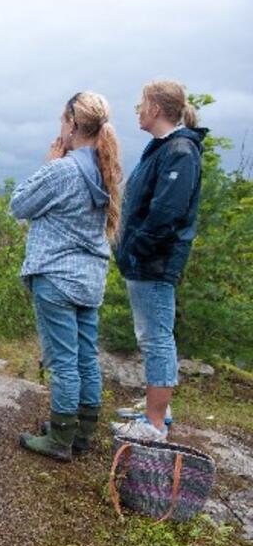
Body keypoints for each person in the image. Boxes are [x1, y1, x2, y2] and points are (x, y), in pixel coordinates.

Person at [11, 91, 122, 461]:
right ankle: (81, 432)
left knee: (62, 361)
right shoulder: (105, 169)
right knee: (86, 358)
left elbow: (19, 205)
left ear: (72, 124)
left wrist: (50, 161)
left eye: (62, 120)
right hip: (89, 278)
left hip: (56, 276)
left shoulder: (63, 169)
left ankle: (59, 440)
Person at [111, 80, 206, 442]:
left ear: (155, 109)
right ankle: (156, 409)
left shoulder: (180, 151)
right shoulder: (165, 148)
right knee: (150, 335)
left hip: (154, 261)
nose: (138, 110)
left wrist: (136, 248)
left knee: (156, 338)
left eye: (141, 104)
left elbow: (166, 212)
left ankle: (153, 424)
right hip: (146, 260)